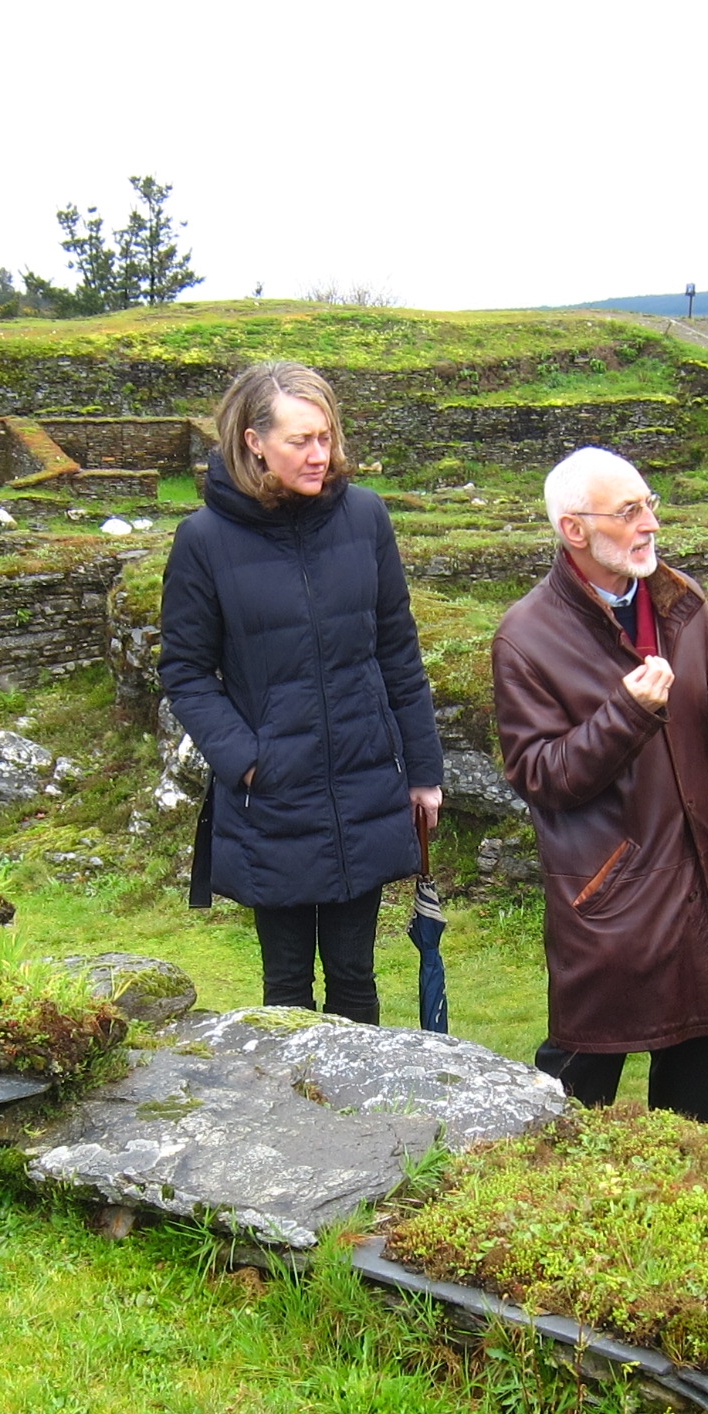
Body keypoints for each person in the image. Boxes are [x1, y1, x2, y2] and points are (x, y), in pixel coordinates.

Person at [160, 361, 443, 1021]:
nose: (320, 455)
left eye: (326, 437)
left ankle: (358, 1124)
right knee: (286, 992)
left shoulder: (365, 517)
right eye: (300, 441)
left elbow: (398, 649)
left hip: (363, 782)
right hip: (274, 798)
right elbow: (186, 670)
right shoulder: (203, 542)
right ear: (254, 440)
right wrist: (246, 759)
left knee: (355, 980)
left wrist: (423, 772)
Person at [491, 447, 708, 1125]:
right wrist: (627, 714)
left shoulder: (682, 601)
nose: (649, 524)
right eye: (628, 511)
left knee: (697, 1104)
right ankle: (539, 1209)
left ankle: (695, 1215)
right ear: (574, 531)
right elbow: (542, 777)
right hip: (608, 897)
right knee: (576, 1093)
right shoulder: (526, 638)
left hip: (698, 883)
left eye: (650, 504)